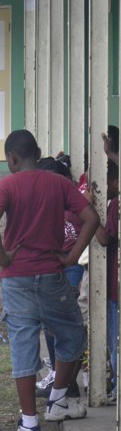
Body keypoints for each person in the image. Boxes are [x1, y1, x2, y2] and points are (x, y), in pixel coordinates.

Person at [0, 130, 99, 431]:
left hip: (15, 277)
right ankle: (58, 399)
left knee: (23, 345)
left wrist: (3, 257)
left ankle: (29, 426)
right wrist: (73, 256)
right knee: (73, 333)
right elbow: (91, 217)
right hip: (52, 274)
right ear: (36, 152)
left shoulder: (5, 185)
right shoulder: (60, 184)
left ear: (11, 158)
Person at [35, 156, 84, 399]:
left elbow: (91, 223)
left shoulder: (76, 204)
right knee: (50, 324)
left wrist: (72, 258)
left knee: (68, 325)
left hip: (71, 266)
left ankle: (68, 381)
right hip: (51, 267)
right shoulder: (44, 205)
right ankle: (57, 373)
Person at [92, 160, 119, 403]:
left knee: (115, 341)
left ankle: (116, 385)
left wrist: (89, 213)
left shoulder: (115, 206)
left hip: (114, 287)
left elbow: (104, 238)